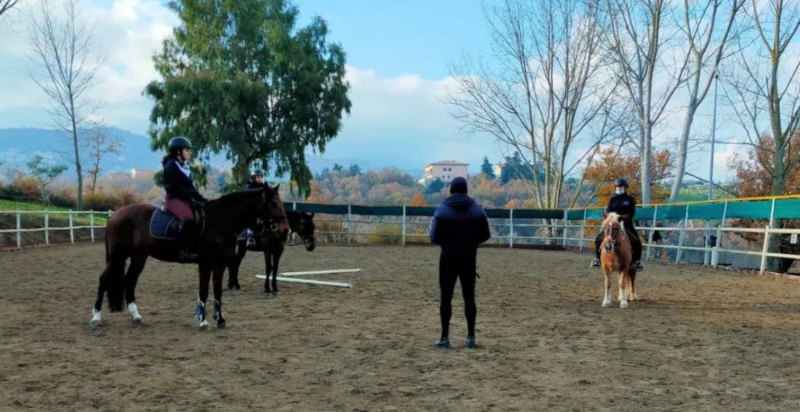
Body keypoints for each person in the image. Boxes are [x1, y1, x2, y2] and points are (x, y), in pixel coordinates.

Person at [430, 176, 491, 349]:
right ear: (465, 189)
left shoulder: (442, 210)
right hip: (468, 257)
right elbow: (485, 234)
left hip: (448, 257)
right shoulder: (476, 209)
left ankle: (444, 337)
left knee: (446, 298)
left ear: (451, 189)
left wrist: (447, 243)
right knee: (469, 297)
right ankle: (470, 337)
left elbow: (434, 237)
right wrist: (471, 243)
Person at [162, 136, 206, 263]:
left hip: (185, 198)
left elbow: (190, 187)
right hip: (174, 198)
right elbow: (176, 188)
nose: (190, 152)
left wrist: (201, 199)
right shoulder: (171, 166)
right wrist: (191, 198)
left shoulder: (184, 166)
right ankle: (182, 251)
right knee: (188, 218)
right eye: (187, 150)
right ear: (178, 151)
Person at [590, 178, 644, 271]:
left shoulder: (630, 199)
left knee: (637, 241)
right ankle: (597, 259)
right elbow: (609, 210)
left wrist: (624, 218)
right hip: (613, 223)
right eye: (617, 187)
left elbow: (631, 212)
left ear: (625, 188)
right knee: (599, 238)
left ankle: (638, 261)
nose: (619, 189)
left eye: (621, 187)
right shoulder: (612, 199)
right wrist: (613, 218)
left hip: (627, 223)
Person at [244, 169, 265, 247]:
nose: (260, 178)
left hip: (261, 209)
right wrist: (260, 190)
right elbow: (248, 191)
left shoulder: (263, 186)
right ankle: (250, 238)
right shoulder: (249, 185)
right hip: (251, 210)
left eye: (261, 176)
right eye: (258, 176)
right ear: (253, 177)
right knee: (251, 218)